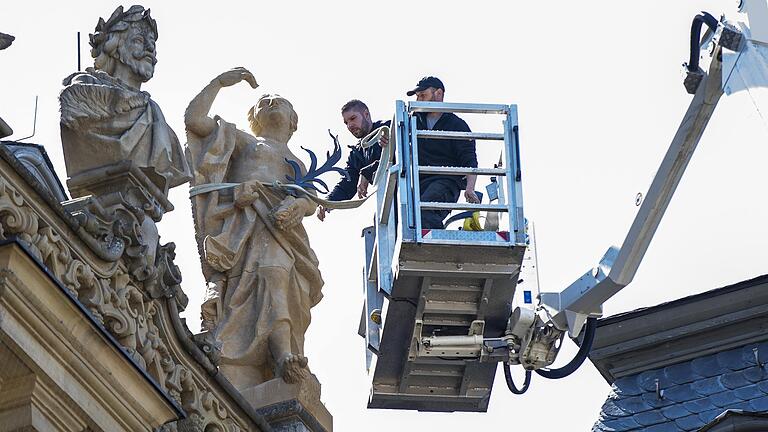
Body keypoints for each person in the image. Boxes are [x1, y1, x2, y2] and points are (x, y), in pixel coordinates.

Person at [185, 67, 323, 388]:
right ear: (254, 118)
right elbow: (194, 120)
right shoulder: (244, 142)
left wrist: (297, 206)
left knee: (281, 278)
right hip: (244, 225)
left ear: (293, 122)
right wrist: (218, 83)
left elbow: (310, 199)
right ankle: (282, 355)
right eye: (265, 102)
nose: (272, 102)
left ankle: (283, 354)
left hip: (280, 229)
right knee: (262, 276)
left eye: (280, 102)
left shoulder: (297, 163)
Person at [59, 5, 190, 195]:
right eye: (138, 40)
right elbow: (72, 110)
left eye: (152, 43)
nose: (150, 48)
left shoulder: (154, 113)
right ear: (115, 47)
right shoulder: (84, 87)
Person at [407, 76, 480, 229]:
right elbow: (392, 138)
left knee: (425, 212)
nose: (419, 100)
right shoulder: (412, 121)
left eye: (423, 95)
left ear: (438, 93)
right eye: (417, 96)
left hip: (446, 181)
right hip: (419, 183)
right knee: (408, 219)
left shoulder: (456, 125)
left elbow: (469, 159)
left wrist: (470, 188)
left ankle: (436, 249)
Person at [316, 99, 390, 221]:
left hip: (409, 193)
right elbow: (348, 183)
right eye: (346, 123)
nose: (349, 125)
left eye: (353, 118)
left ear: (366, 114)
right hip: (388, 202)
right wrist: (327, 202)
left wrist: (366, 173)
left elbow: (396, 159)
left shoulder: (388, 129)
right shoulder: (358, 151)